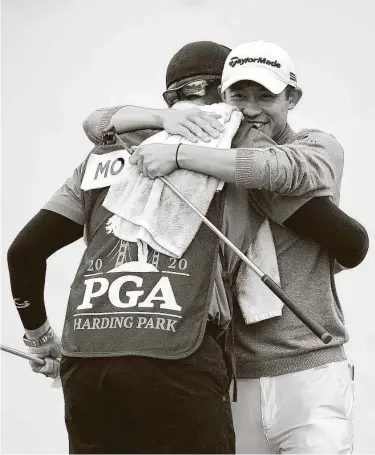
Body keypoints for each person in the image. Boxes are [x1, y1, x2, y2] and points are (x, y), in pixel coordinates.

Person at [7, 41, 367, 455]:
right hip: (184, 360)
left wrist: (40, 340)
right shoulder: (237, 148)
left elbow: (24, 252)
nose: (244, 111)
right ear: (224, 95)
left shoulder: (104, 155)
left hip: (86, 357)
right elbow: (350, 240)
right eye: (235, 95)